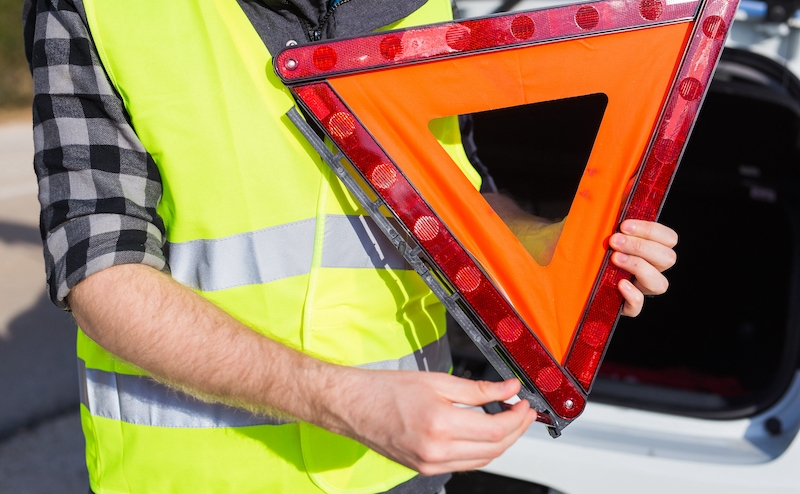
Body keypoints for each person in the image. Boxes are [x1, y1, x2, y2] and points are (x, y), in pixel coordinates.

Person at [23, 0, 678, 492]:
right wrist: (347, 400)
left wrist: (559, 250)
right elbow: (102, 275)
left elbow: (457, 197)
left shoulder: (417, 4)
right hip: (199, 478)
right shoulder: (98, 9)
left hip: (399, 473)